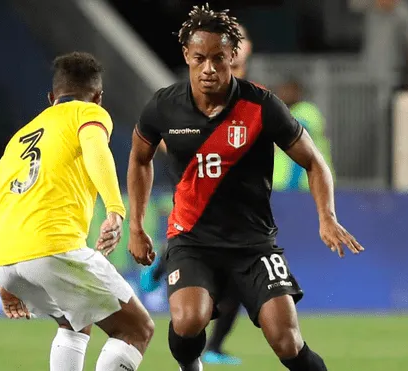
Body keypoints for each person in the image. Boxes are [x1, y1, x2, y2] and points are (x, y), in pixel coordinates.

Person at [127, 5, 364, 371]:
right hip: (192, 240)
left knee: (286, 341)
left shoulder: (261, 105)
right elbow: (139, 158)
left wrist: (327, 217)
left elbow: (315, 162)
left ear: (232, 57)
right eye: (200, 58)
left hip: (253, 245)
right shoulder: (163, 107)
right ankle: (190, 366)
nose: (209, 68)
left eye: (219, 59)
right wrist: (137, 226)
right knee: (189, 320)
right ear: (187, 57)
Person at [0, 51, 154, 371]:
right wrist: (115, 209)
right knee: (135, 330)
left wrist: (2, 280)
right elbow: (95, 147)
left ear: (52, 98)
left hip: (10, 261)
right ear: (98, 97)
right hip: (54, 247)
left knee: (74, 322)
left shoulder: (20, 139)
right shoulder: (88, 113)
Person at [138, 21, 255, 367]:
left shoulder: (248, 98)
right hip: (199, 197)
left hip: (235, 211)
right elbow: (156, 140)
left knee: (235, 283)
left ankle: (212, 345)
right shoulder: (183, 102)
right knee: (192, 235)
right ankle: (163, 266)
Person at [273, 78, 334, 191]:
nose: (283, 94)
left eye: (288, 90)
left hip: (303, 186)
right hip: (281, 188)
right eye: (281, 90)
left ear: (298, 92)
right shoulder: (281, 113)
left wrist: (293, 184)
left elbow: (299, 146)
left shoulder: (306, 112)